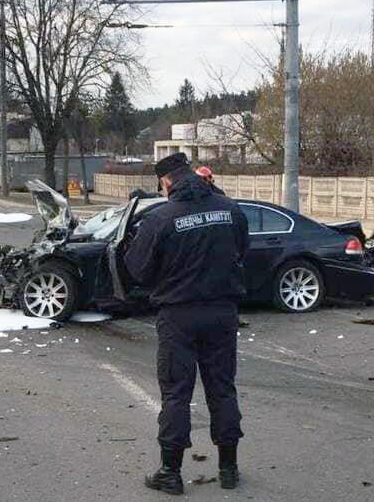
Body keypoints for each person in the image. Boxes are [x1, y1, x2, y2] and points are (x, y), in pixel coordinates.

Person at [124, 152, 249, 495]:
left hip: (178, 316)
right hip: (223, 313)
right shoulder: (230, 209)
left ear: (166, 182)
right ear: (192, 174)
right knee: (222, 389)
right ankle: (229, 469)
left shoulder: (161, 218)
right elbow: (241, 251)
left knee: (176, 394)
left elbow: (137, 269)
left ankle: (170, 472)